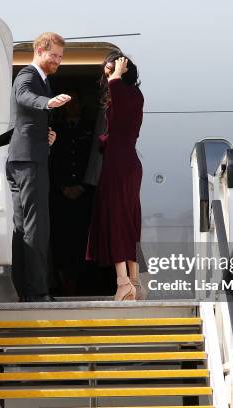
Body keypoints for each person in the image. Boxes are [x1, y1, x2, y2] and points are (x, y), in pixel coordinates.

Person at [6, 32, 71, 302]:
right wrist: (47, 102)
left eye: (60, 56)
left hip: (22, 157)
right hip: (29, 162)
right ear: (40, 51)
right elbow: (23, 96)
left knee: (22, 227)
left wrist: (47, 134)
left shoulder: (41, 80)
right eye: (54, 55)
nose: (58, 61)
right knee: (36, 226)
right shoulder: (29, 76)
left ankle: (24, 289)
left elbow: (27, 118)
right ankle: (37, 291)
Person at [86, 52, 144, 301]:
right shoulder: (137, 95)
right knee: (129, 220)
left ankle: (123, 282)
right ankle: (135, 281)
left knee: (116, 220)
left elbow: (116, 91)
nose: (108, 75)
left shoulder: (119, 90)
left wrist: (116, 75)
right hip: (130, 161)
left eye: (112, 70)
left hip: (118, 163)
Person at [49, 92, 95, 295]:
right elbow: (51, 161)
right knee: (61, 237)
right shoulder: (55, 129)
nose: (72, 107)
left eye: (76, 102)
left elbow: (95, 159)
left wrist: (84, 186)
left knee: (83, 238)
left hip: (84, 193)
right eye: (69, 103)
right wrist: (61, 187)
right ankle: (62, 281)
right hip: (61, 194)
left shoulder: (90, 128)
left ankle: (82, 282)